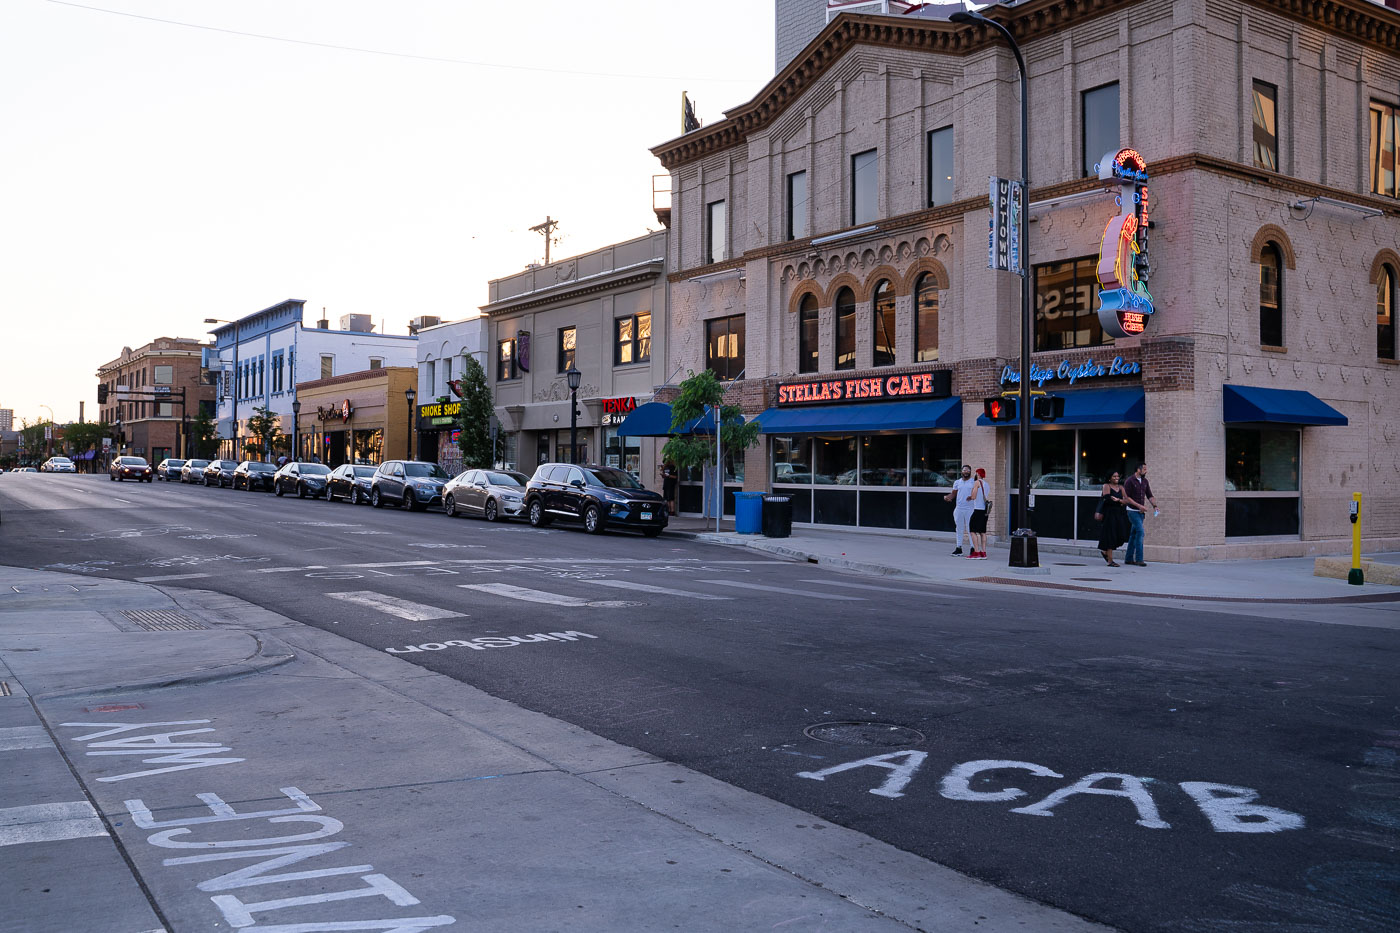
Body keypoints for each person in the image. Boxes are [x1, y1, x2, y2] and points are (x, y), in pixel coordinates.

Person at [1122, 462, 1159, 567]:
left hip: (1140, 513)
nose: (1146, 471)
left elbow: (1150, 495)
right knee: (1140, 532)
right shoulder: (1129, 481)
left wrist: (1155, 505)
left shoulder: (1145, 481)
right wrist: (1139, 506)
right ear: (1138, 470)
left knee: (1133, 535)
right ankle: (1139, 559)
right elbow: (1127, 498)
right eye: (1144, 469)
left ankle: (1128, 559)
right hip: (1132, 511)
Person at [1094, 470, 1134, 566]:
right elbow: (1107, 499)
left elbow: (1127, 500)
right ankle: (1110, 560)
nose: (1116, 478)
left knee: (1121, 535)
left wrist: (1118, 500)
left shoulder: (1121, 487)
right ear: (1109, 478)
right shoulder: (1106, 486)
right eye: (1114, 476)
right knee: (1110, 536)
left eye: (1117, 476)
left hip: (1119, 514)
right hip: (1109, 514)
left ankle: (1104, 552)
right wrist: (1119, 502)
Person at [945, 465, 976, 556]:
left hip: (970, 509)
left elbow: (976, 494)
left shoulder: (974, 482)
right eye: (964, 470)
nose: (966, 471)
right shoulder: (957, 482)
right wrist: (948, 497)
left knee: (971, 529)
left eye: (968, 470)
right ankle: (959, 548)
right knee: (959, 529)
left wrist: (972, 497)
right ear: (961, 471)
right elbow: (953, 494)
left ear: (970, 472)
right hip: (959, 509)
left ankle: (973, 548)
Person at [968, 468, 990, 559]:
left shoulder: (977, 483)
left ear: (978, 474)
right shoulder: (987, 485)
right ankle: (983, 552)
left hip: (977, 510)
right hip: (985, 511)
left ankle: (976, 552)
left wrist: (972, 491)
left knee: (972, 530)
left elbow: (973, 497)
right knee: (982, 532)